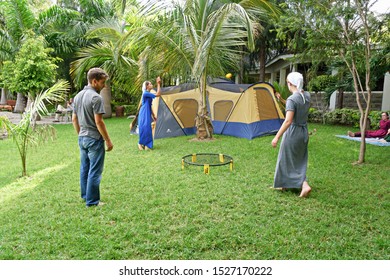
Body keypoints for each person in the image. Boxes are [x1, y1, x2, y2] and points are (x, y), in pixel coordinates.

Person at [72, 68, 113, 207]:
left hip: (82, 138)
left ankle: (85, 196)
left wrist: (80, 135)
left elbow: (74, 119)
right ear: (94, 81)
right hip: (94, 139)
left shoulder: (77, 96)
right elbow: (99, 122)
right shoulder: (96, 97)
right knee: (95, 170)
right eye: (102, 82)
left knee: (85, 168)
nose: (104, 86)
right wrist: (108, 140)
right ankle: (93, 201)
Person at [271, 72, 312, 198]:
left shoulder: (292, 99)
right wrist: (281, 100)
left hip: (293, 132)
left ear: (290, 84)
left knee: (285, 158)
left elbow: (288, 120)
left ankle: (304, 185)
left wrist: (276, 137)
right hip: (303, 131)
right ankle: (284, 184)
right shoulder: (306, 95)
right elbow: (295, 105)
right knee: (299, 160)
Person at [137, 77, 161, 150]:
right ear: (147, 86)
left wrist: (153, 115)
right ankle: (140, 143)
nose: (151, 84)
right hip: (143, 112)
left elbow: (149, 105)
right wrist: (158, 84)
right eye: (150, 84)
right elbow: (158, 94)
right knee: (144, 128)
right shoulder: (145, 93)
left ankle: (147, 144)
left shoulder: (148, 94)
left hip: (147, 112)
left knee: (147, 128)